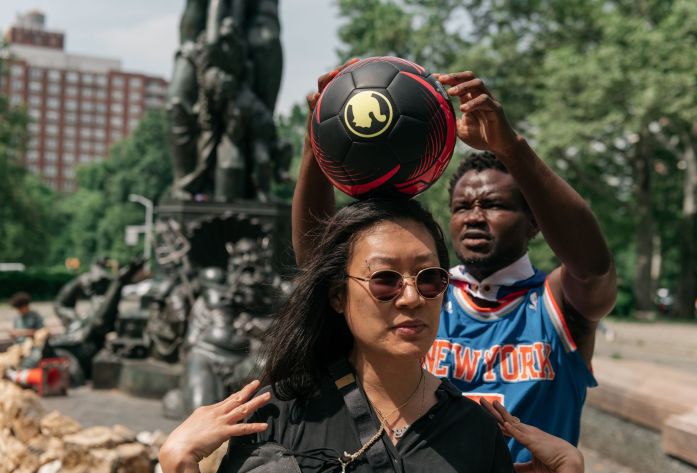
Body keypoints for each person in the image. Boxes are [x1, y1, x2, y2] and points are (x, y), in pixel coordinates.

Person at [292, 63, 617, 462]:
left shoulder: (555, 303)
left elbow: (594, 269)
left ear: (535, 221)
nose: (474, 216)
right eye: (462, 207)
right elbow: (319, 270)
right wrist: (318, 143)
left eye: (492, 204)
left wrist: (511, 148)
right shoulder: (423, 293)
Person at [160, 199, 585, 473]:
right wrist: (177, 463)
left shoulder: (474, 431)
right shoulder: (280, 415)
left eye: (430, 278)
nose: (412, 297)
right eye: (385, 280)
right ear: (339, 297)